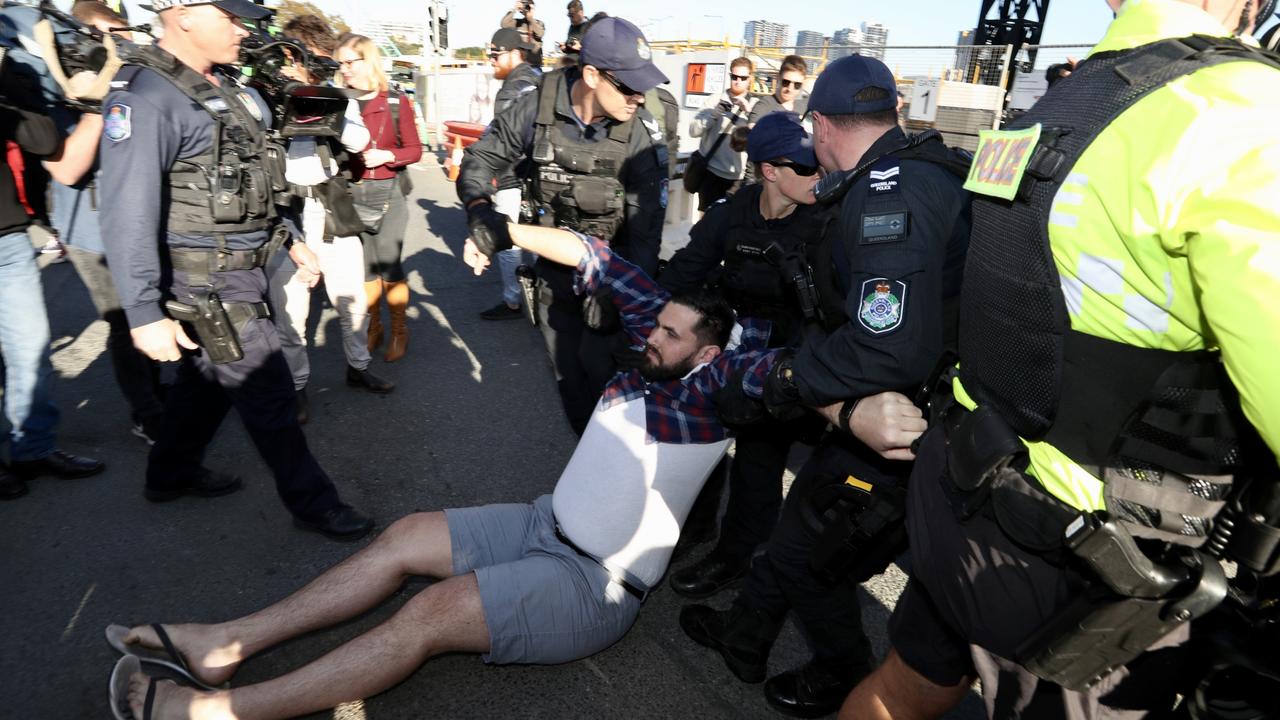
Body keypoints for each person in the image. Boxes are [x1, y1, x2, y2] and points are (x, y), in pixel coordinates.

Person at [107, 221, 780, 720]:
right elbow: (590, 254)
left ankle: (207, 713)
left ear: (706, 354)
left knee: (428, 614)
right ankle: (223, 642)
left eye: (668, 335)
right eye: (655, 325)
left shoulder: (711, 389)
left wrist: (863, 400)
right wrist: (500, 226)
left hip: (591, 583)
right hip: (542, 522)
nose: (649, 337)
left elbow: (776, 377)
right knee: (403, 538)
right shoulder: (659, 335)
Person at [840, 1, 1280, 718]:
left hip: (968, 492)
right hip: (1094, 571)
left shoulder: (1065, 100)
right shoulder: (1243, 112)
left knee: (904, 686)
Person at [681, 54, 972, 718]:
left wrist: (783, 382)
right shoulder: (926, 167)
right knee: (797, 529)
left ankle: (842, 672)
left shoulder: (885, 194)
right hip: (902, 407)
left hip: (902, 419)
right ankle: (746, 640)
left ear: (821, 126)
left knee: (814, 556)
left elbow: (885, 344)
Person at [97, 0, 373, 540]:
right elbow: (125, 210)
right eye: (230, 16)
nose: (242, 27)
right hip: (208, 280)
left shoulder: (223, 88)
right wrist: (143, 311)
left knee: (205, 384)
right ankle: (315, 504)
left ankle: (170, 473)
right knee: (266, 388)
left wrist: (289, 240)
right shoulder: (146, 96)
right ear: (182, 15)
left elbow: (258, 180)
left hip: (247, 265)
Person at [458, 16, 669, 435]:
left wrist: (617, 298)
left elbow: (645, 237)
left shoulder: (642, 137)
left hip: (614, 275)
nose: (639, 99)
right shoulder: (537, 106)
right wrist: (481, 214)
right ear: (591, 75)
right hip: (554, 277)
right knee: (570, 383)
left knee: (610, 386)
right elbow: (480, 160)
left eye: (643, 87)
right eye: (628, 86)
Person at [661, 111, 834, 597]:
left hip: (785, 355)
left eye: (819, 166)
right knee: (697, 445)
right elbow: (682, 275)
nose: (818, 176)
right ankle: (696, 528)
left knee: (758, 461)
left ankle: (737, 555)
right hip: (728, 346)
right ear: (770, 171)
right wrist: (653, 335)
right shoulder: (728, 215)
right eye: (806, 168)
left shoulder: (826, 224)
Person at [39, 2, 168, 444]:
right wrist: (95, 101)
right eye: (105, 36)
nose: (117, 45)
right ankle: (147, 412)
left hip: (143, 215)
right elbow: (67, 169)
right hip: (91, 230)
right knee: (125, 319)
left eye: (121, 35)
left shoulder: (134, 75)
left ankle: (160, 393)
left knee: (155, 307)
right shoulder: (55, 80)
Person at [266, 18, 394, 419]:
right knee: (292, 313)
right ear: (287, 56)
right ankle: (297, 386)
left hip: (332, 208)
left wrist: (326, 102)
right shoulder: (263, 97)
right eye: (313, 63)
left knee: (352, 300)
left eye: (328, 65)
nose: (323, 72)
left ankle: (359, 368)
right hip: (286, 214)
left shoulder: (339, 96)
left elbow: (358, 141)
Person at [0, 52, 105, 500]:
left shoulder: (8, 80)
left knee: (30, 349)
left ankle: (33, 449)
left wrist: (7, 77)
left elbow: (44, 140)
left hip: (8, 239)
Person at [337, 35, 422, 364]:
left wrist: (388, 154)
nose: (344, 70)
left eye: (350, 62)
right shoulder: (339, 101)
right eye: (340, 63)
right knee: (364, 270)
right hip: (351, 194)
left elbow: (414, 150)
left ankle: (399, 330)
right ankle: (374, 327)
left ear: (367, 60)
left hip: (390, 195)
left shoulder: (396, 102)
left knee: (389, 265)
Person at [478, 26, 541, 322]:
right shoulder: (539, 78)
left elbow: (503, 138)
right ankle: (546, 298)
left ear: (515, 54)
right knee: (542, 239)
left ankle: (514, 301)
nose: (491, 60)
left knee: (507, 242)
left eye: (495, 54)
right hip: (537, 177)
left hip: (514, 178)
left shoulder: (516, 87)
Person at [687, 56, 754, 210]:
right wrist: (713, 116)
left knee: (730, 225)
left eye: (743, 78)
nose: (738, 81)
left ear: (749, 79)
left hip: (736, 178)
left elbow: (761, 139)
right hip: (710, 173)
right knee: (705, 223)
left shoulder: (754, 105)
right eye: (734, 77)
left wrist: (749, 113)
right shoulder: (715, 99)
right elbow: (693, 131)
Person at [501, 0, 545, 68]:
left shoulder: (539, 23)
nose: (526, 8)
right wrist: (514, 9)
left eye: (528, 6)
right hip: (519, 63)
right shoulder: (518, 22)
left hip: (534, 63)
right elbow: (504, 24)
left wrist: (530, 18)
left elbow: (540, 34)